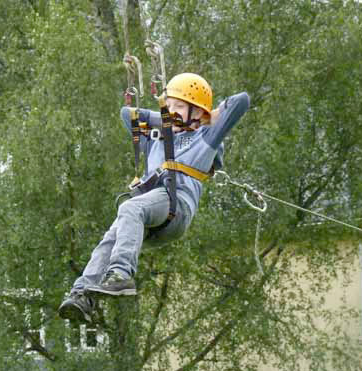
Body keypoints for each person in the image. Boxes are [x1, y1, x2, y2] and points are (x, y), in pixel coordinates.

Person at [58, 73, 250, 323]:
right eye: (168, 106)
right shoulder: (156, 135)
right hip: (152, 207)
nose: (171, 111)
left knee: (129, 209)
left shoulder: (205, 137)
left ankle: (120, 276)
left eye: (179, 106)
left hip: (176, 204)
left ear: (197, 111)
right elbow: (127, 114)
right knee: (111, 237)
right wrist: (168, 118)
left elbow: (241, 101)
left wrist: (206, 118)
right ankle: (83, 295)